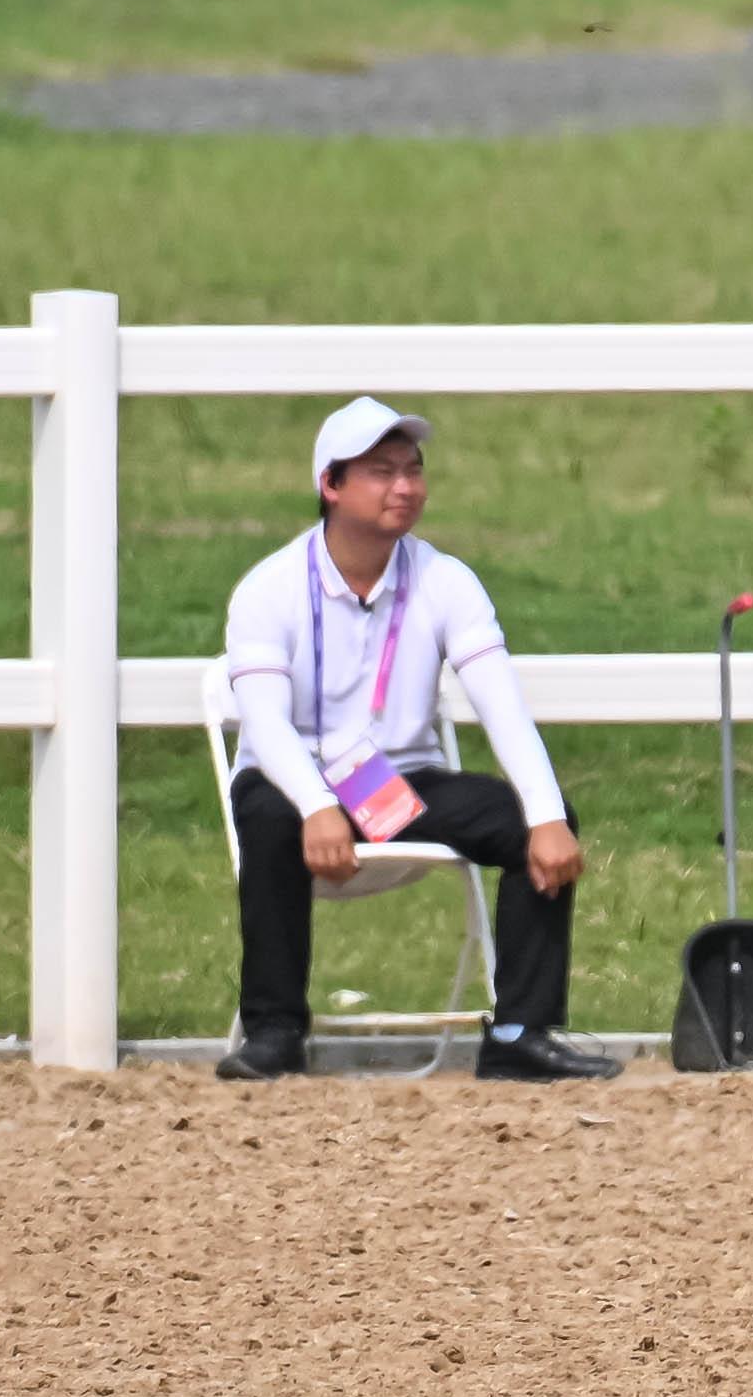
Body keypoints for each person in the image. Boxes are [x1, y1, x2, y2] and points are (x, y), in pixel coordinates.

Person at [214, 400, 605, 1081]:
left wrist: (545, 814)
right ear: (330, 485)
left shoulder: (445, 580)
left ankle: (519, 1033)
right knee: (267, 815)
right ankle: (274, 1031)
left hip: (399, 782)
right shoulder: (268, 589)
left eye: (413, 470)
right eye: (381, 472)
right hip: (291, 781)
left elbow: (501, 705)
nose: (405, 487)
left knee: (538, 822)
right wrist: (317, 804)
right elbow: (266, 726)